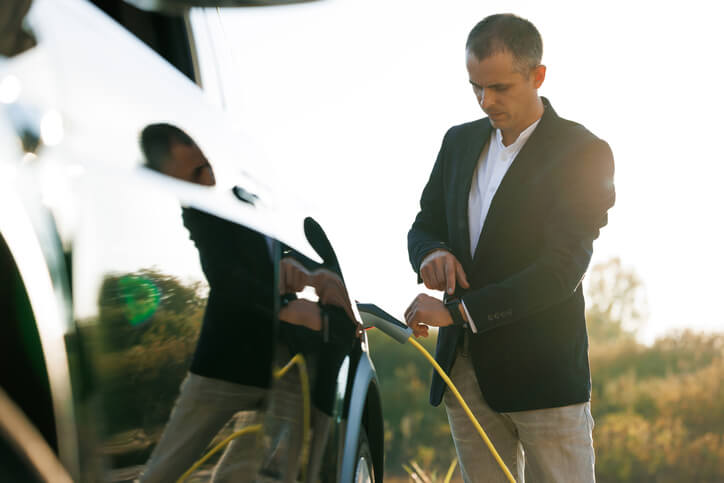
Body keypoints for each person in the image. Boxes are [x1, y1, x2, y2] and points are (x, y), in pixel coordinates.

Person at [405, 14, 615, 483]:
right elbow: (424, 223)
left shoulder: (584, 152)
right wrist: (431, 252)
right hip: (464, 373)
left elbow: (561, 271)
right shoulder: (457, 142)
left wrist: (459, 313)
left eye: (500, 87)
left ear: (537, 76)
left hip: (544, 374)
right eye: (476, 87)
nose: (486, 101)